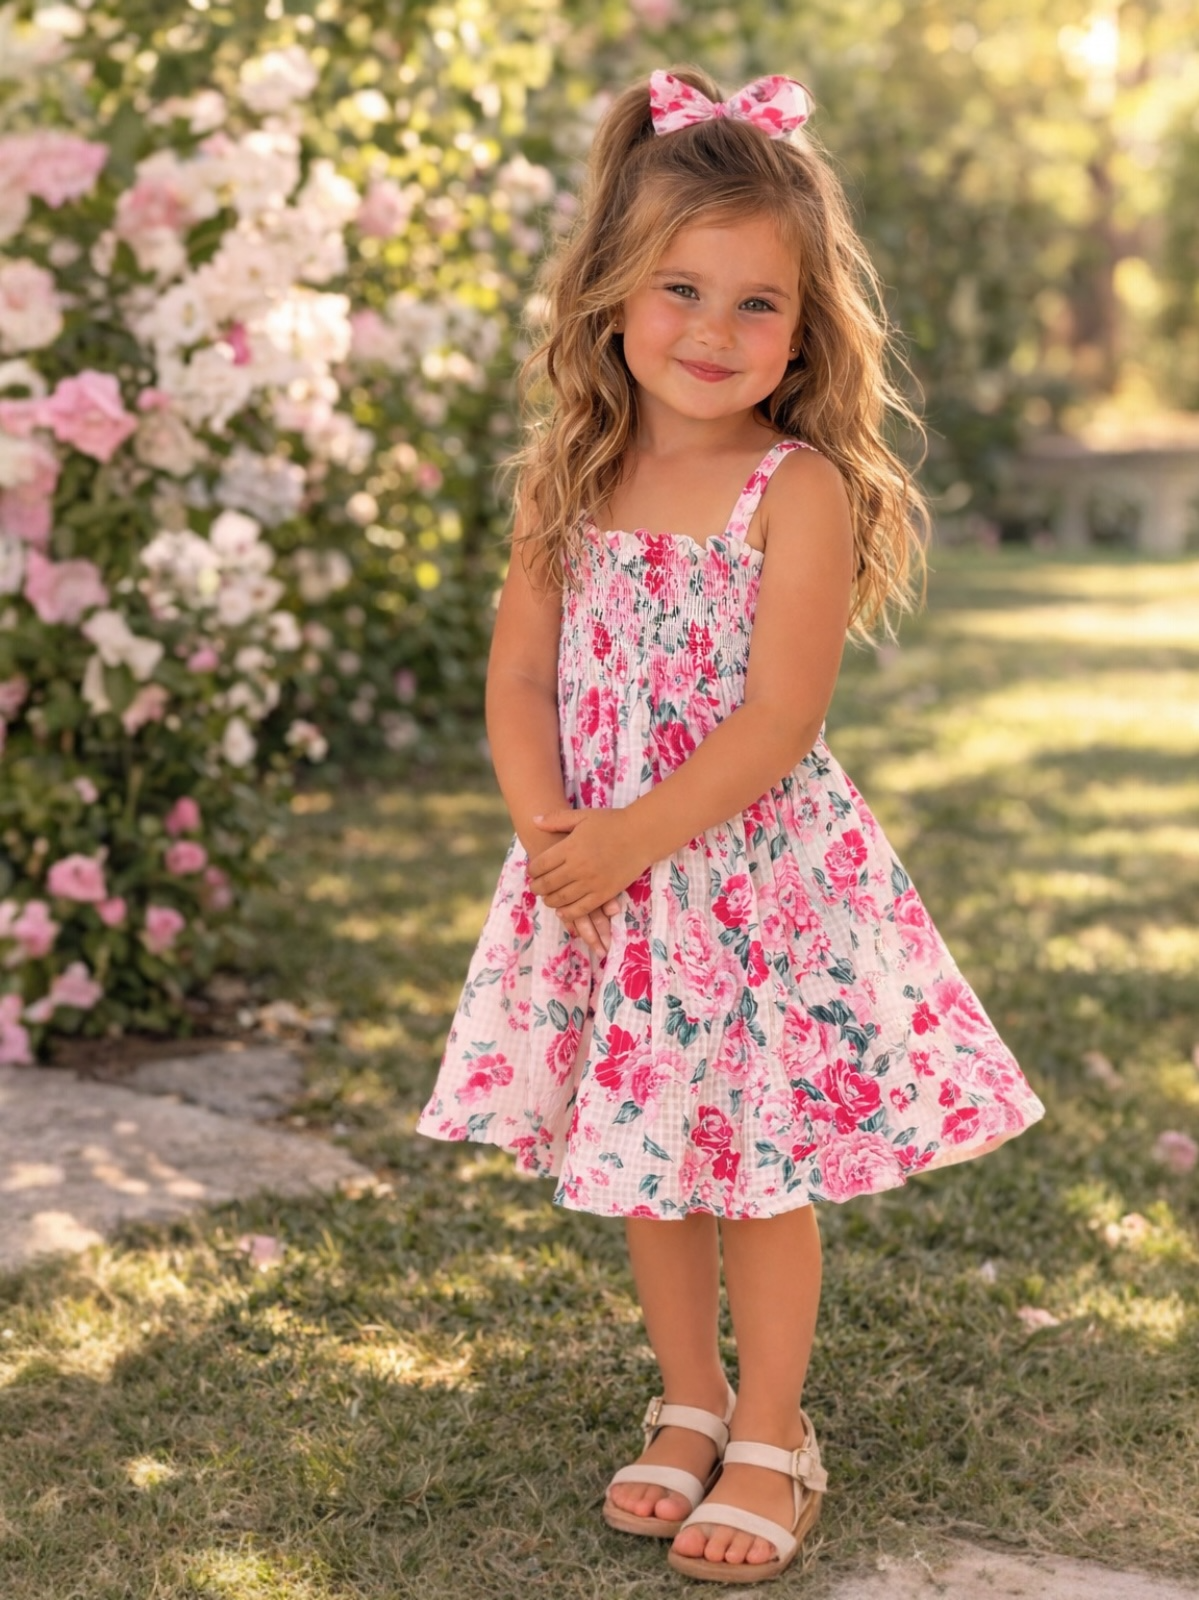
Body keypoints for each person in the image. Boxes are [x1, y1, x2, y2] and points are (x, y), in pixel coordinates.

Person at [417, 65, 1046, 1585]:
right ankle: (685, 1398)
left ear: (807, 330)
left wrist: (633, 835)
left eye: (757, 305)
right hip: (604, 883)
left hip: (743, 884)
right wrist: (549, 827)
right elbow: (514, 675)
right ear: (610, 297)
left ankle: (772, 1425)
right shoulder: (570, 474)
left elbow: (777, 724)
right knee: (649, 1155)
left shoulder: (794, 487)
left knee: (754, 1168)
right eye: (679, 288)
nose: (710, 331)